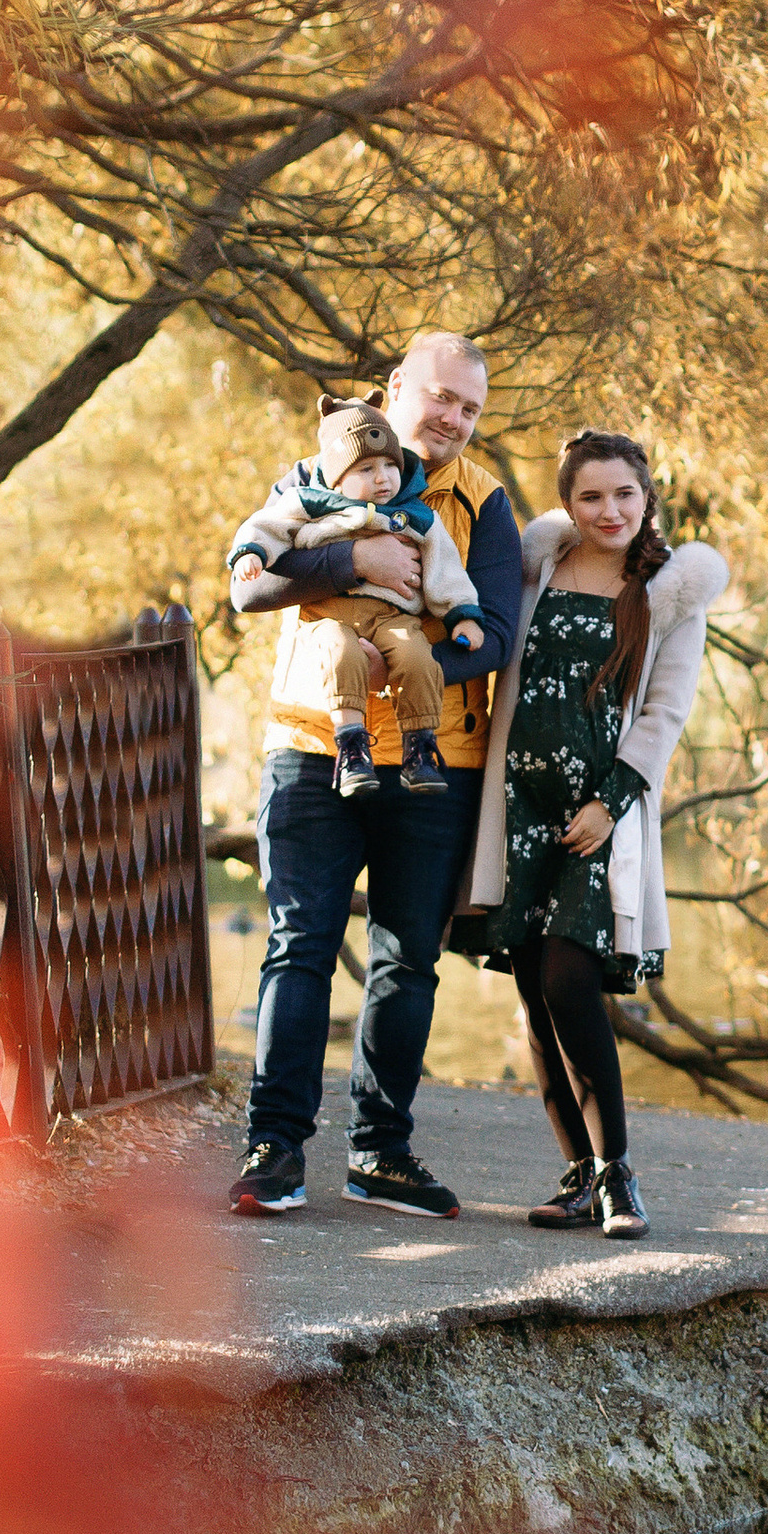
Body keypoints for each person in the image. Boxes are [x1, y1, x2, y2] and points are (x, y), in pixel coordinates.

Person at [224, 330, 521, 1220]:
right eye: (441, 398)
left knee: (406, 964)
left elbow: (495, 630)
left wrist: (405, 656)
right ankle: (274, 1146)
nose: (454, 420)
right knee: (299, 946)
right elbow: (250, 586)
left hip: (437, 764)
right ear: (397, 388)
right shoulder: (312, 476)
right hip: (314, 750)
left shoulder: (483, 501)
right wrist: (353, 560)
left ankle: (380, 1155)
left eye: (470, 408)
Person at [455, 430, 726, 1241]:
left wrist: (611, 801)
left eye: (625, 496)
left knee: (572, 976)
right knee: (535, 989)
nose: (609, 511)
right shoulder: (536, 568)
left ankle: (618, 1175)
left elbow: (665, 711)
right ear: (567, 502)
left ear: (648, 500)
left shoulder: (669, 591)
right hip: (520, 802)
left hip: (597, 813)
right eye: (591, 496)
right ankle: (576, 1174)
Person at [226, 397, 484, 796]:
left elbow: (444, 568)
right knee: (338, 650)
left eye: (389, 466)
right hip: (330, 615)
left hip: (392, 616)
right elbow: (267, 526)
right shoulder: (310, 504)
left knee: (417, 656)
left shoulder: (414, 515)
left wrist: (462, 614)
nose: (382, 478)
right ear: (336, 478)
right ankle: (351, 744)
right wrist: (251, 553)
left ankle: (420, 748)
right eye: (366, 468)